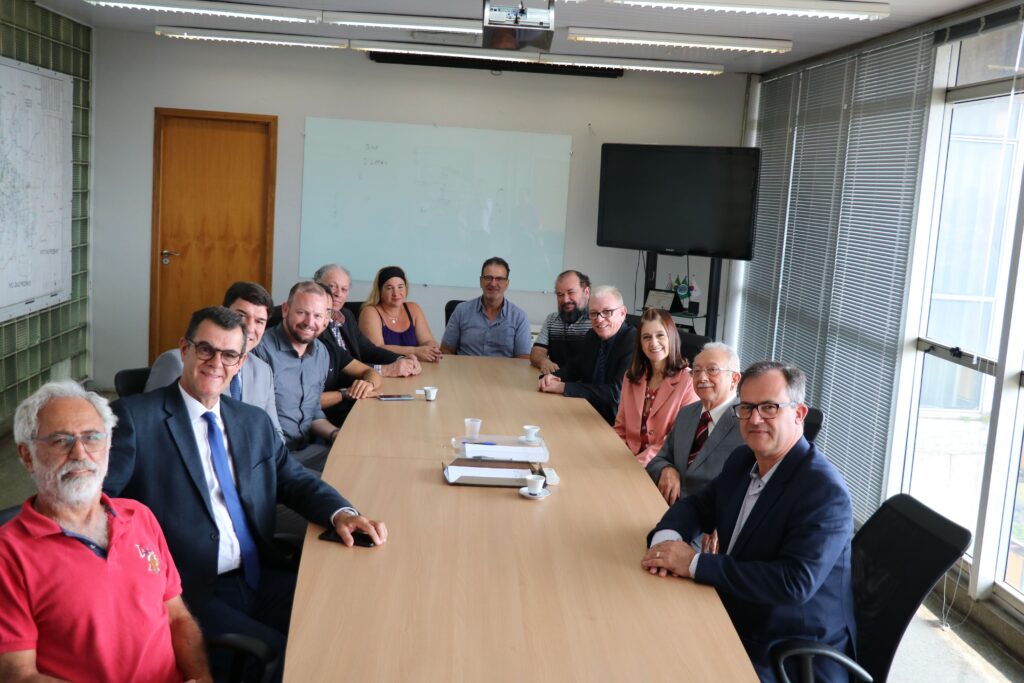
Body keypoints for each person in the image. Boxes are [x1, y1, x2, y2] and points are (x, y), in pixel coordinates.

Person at [104, 306, 387, 683]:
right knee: (285, 656)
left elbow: (294, 478)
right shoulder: (135, 420)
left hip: (257, 574)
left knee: (341, 621)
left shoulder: (251, 421)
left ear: (241, 361)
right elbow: (99, 509)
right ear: (184, 349)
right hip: (187, 592)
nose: (215, 363)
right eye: (205, 349)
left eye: (229, 355)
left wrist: (341, 513)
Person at [641, 361, 855, 682]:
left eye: (770, 408)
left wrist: (695, 563)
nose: (755, 419)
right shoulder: (743, 459)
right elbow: (699, 506)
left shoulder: (823, 491)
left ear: (798, 414)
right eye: (747, 408)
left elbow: (792, 584)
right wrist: (665, 544)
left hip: (784, 649)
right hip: (735, 609)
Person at [0, 381, 211, 683]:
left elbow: (176, 616)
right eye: (60, 441)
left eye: (92, 437)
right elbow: (18, 676)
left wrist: (202, 676)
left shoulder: (139, 516)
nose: (79, 453)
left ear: (109, 445)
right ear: (27, 455)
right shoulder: (8, 555)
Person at [254, 281, 381, 470]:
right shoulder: (261, 351)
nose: (309, 322)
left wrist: (336, 434)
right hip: (271, 458)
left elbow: (312, 412)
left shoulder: (321, 353)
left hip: (306, 451)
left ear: (325, 320)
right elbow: (254, 419)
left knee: (365, 460)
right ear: (285, 309)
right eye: (302, 312)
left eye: (317, 315)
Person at [146, 281, 284, 440]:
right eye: (240, 316)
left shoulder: (263, 370)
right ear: (223, 313)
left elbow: (274, 432)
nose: (250, 328)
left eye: (259, 321)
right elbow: (152, 430)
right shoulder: (176, 362)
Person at [313, 265, 418, 427]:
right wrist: (386, 370)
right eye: (331, 287)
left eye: (344, 289)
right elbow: (335, 371)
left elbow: (368, 349)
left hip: (360, 392)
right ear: (315, 286)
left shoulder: (345, 316)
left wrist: (401, 359)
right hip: (334, 403)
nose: (338, 293)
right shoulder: (313, 324)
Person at [646, 342, 744, 506]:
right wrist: (666, 469)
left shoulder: (748, 423)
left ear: (734, 379)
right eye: (696, 370)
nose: (702, 377)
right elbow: (659, 459)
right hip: (663, 505)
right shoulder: (687, 413)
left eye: (712, 370)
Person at [538, 285, 636, 425]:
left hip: (616, 422)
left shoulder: (633, 342)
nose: (600, 319)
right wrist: (551, 378)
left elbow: (616, 393)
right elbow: (575, 368)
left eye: (607, 312)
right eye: (594, 313)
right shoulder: (592, 336)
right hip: (587, 411)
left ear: (622, 313)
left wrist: (564, 387)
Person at [613, 308, 698, 466]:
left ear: (671, 337)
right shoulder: (631, 377)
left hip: (661, 464)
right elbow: (621, 427)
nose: (653, 343)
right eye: (646, 337)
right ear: (640, 343)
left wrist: (635, 464)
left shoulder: (688, 381)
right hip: (627, 458)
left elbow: (676, 440)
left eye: (660, 335)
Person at [440, 256, 531, 358]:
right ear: (481, 281)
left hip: (503, 373)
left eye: (499, 279)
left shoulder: (519, 317)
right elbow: (446, 350)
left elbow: (523, 359)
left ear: (507, 284)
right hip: (466, 371)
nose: (493, 283)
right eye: (488, 278)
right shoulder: (461, 311)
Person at [359, 265, 442, 363]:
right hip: (385, 371)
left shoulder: (413, 309)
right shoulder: (370, 312)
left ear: (406, 288)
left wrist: (433, 350)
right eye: (389, 288)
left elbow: (427, 340)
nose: (396, 293)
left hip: (415, 369)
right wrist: (415, 351)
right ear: (380, 291)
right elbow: (376, 349)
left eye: (400, 287)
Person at [530, 269, 592, 375]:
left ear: (586, 292)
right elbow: (537, 352)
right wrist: (543, 361)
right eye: (560, 294)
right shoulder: (551, 320)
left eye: (571, 292)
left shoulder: (597, 322)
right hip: (554, 381)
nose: (565, 300)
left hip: (582, 386)